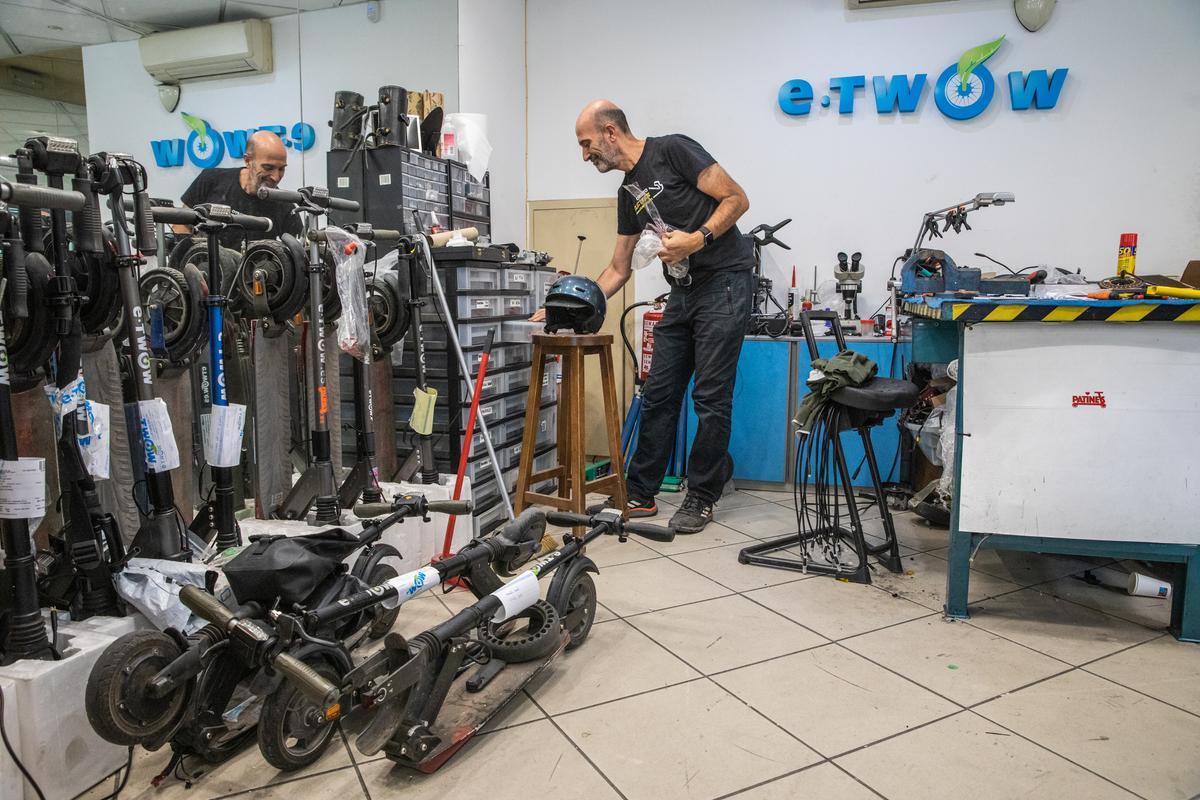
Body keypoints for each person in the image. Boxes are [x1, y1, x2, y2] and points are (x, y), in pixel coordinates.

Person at [554, 99, 752, 533]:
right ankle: (641, 493)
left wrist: (697, 239)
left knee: (711, 398)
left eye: (587, 144)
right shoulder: (628, 192)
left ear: (610, 132)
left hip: (726, 283)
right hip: (681, 293)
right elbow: (619, 268)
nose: (585, 155)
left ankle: (701, 496)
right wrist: (569, 302)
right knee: (659, 392)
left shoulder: (673, 150)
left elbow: (737, 199)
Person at [177, 129, 301, 248]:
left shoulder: (286, 208)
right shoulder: (210, 180)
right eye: (268, 168)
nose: (276, 177)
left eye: (281, 169)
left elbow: (296, 255)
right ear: (247, 161)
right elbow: (182, 225)